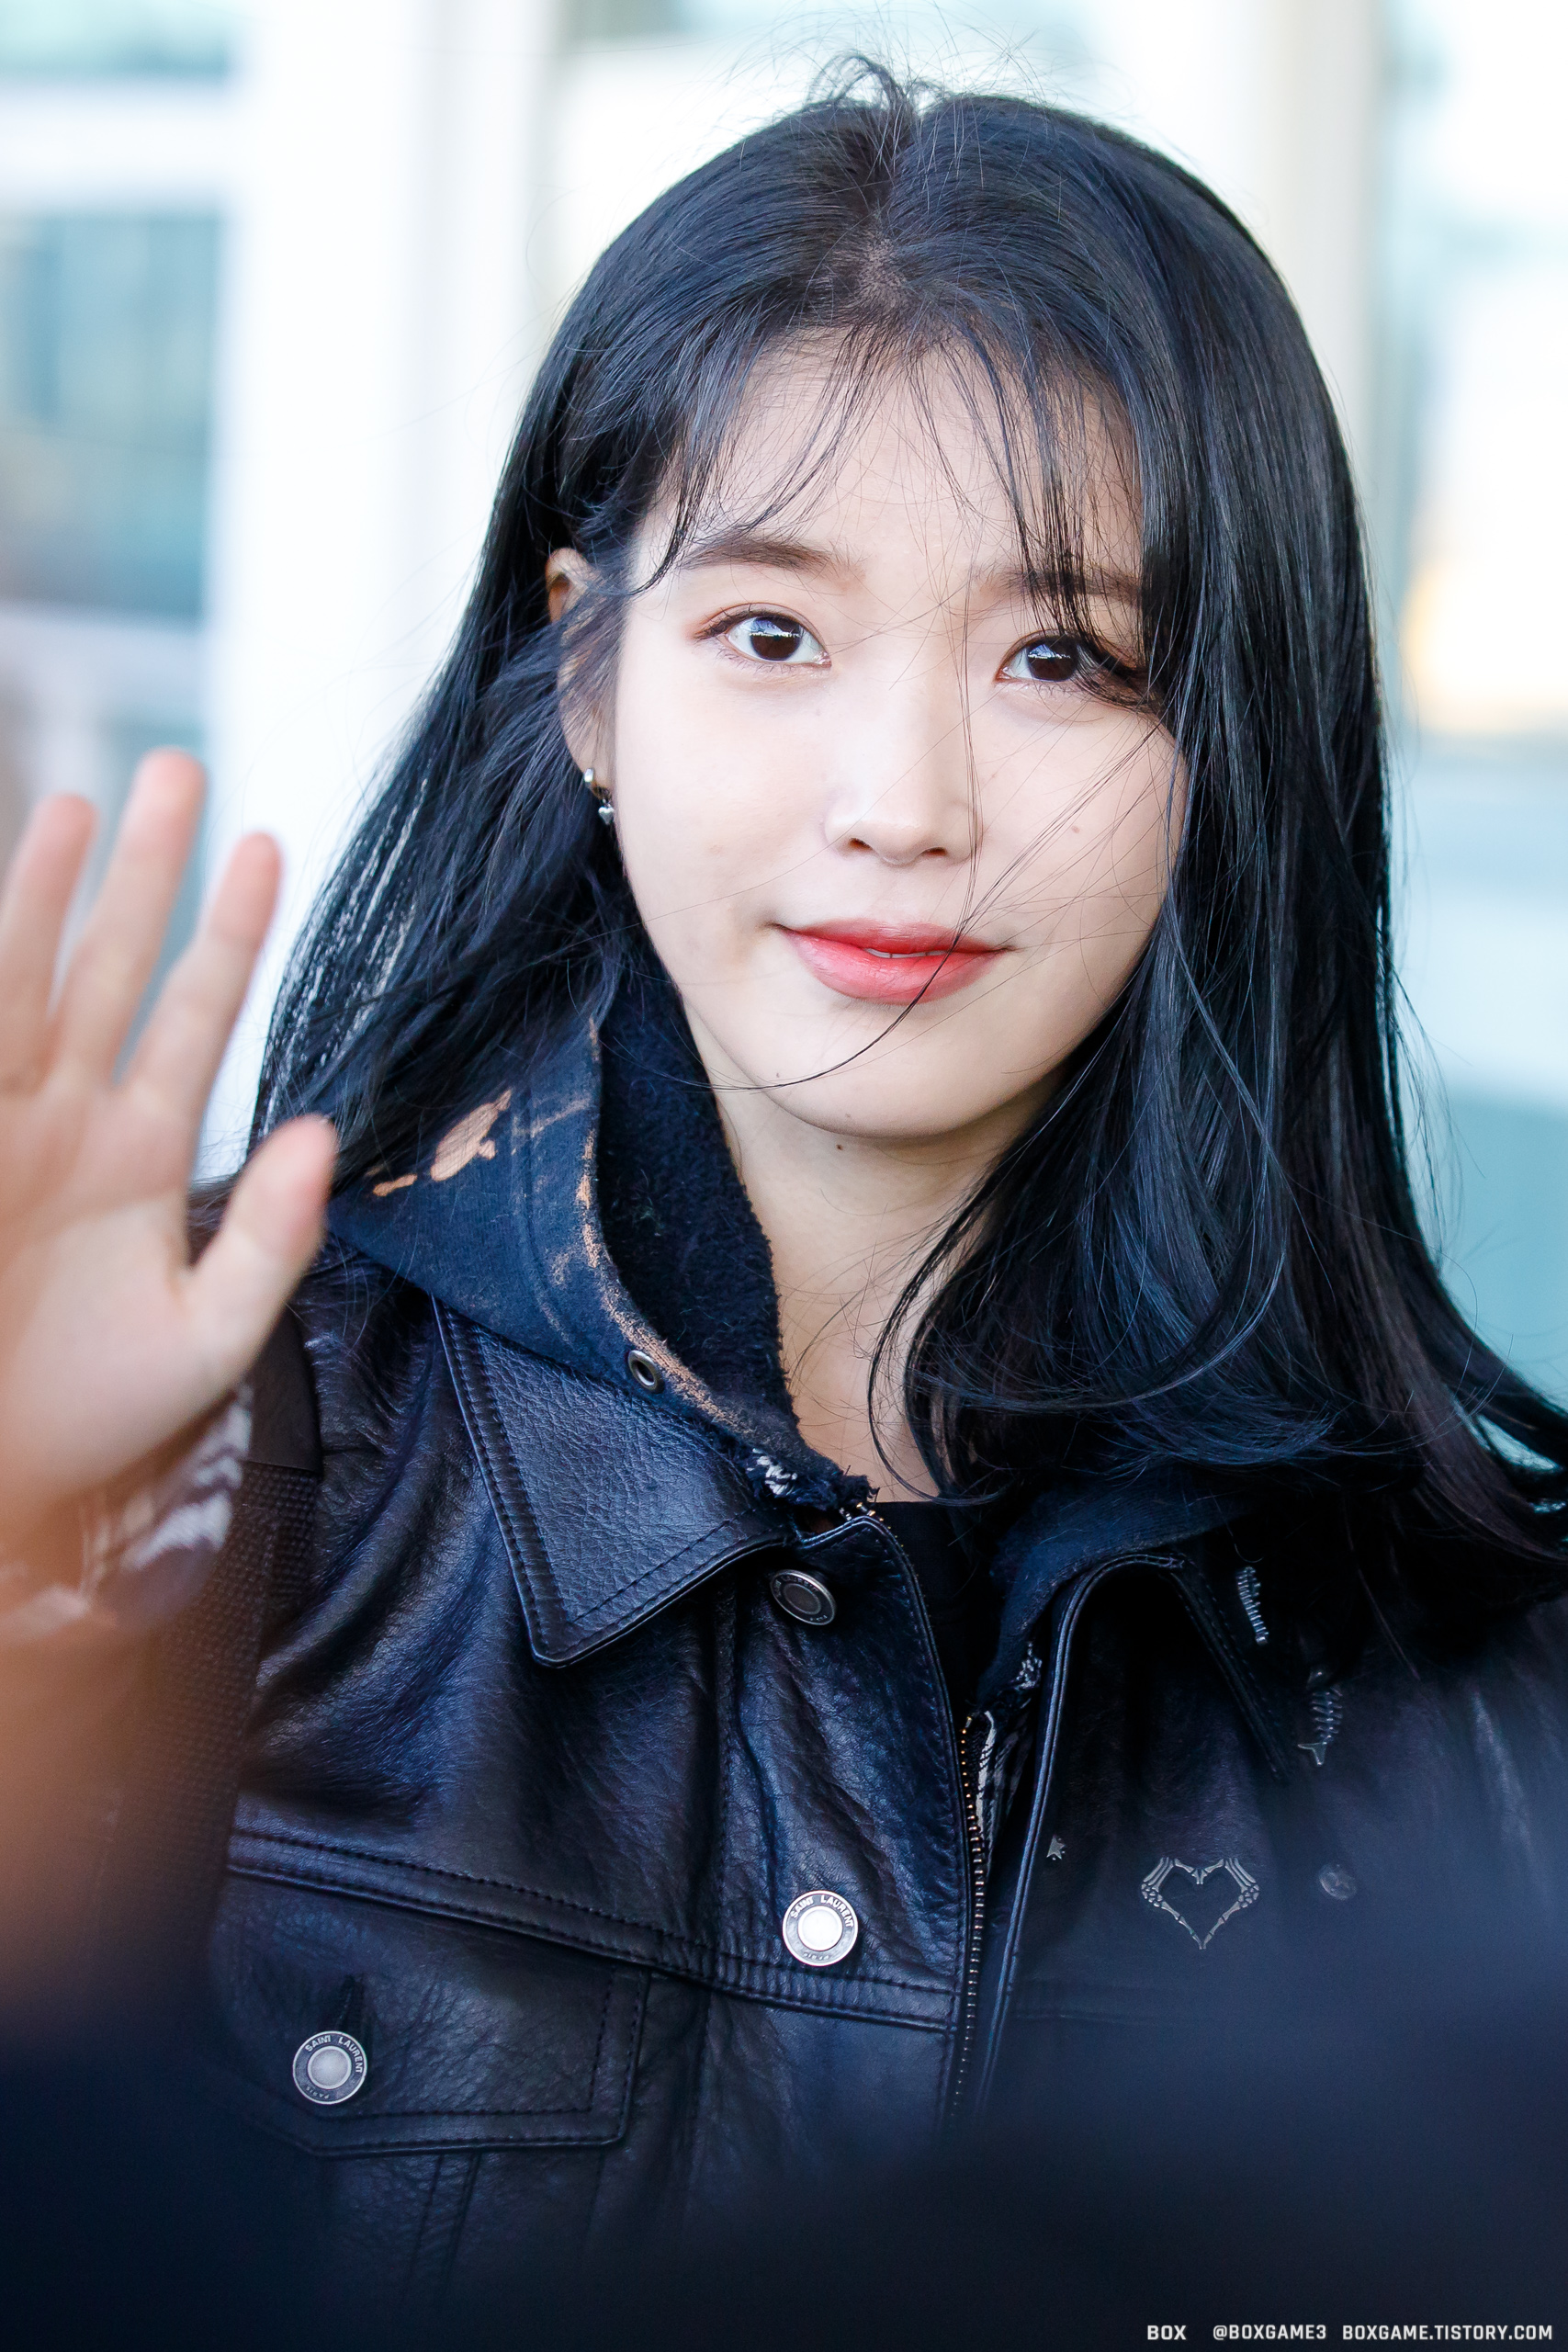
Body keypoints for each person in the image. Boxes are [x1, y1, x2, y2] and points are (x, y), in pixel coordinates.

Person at [2, 64, 1567, 2314]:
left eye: (1060, 657)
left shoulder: (1457, 1664)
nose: (902, 802)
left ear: (1231, 745)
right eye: (769, 634)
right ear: (585, 673)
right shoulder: (220, 1447)